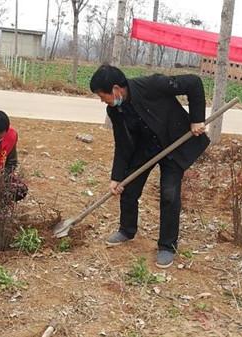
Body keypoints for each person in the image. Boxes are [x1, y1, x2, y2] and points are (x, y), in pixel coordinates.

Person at [89, 65, 209, 268]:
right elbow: (123, 144)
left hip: (174, 143)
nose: (102, 100)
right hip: (146, 148)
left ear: (116, 88)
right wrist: (117, 177)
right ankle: (127, 230)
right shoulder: (115, 110)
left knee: (169, 194)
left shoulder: (152, 85)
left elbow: (194, 83)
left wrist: (196, 119)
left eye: (103, 96)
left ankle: (167, 246)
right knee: (129, 187)